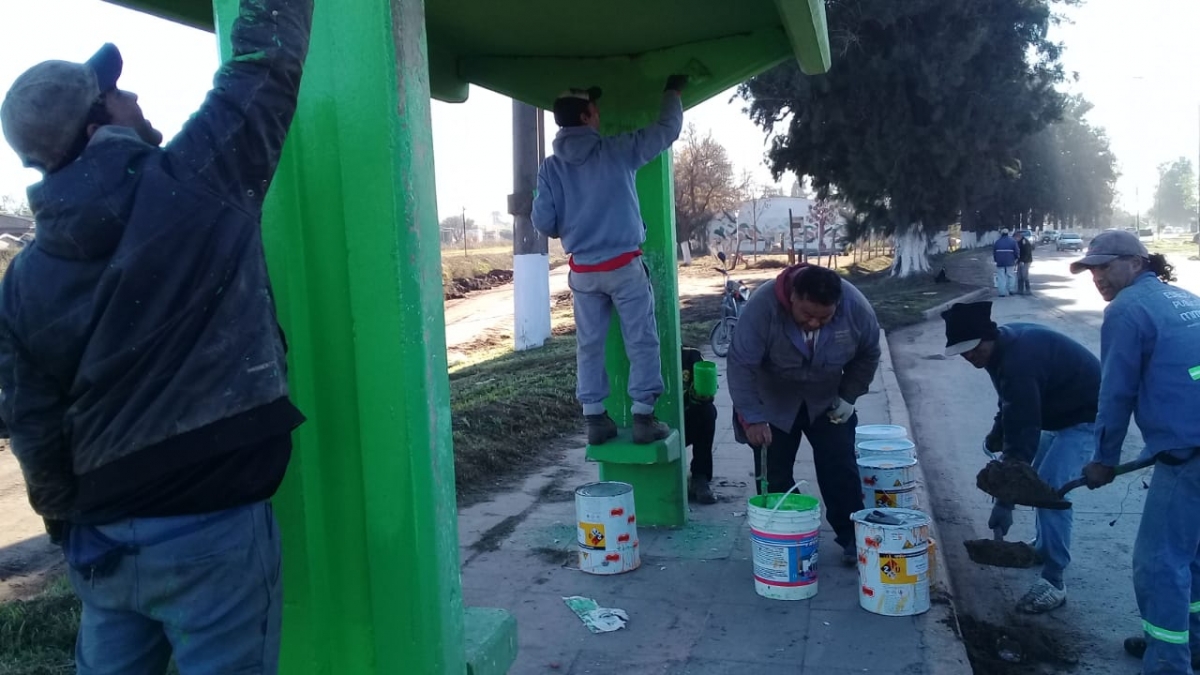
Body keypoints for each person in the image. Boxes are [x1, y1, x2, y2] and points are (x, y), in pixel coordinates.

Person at [0, 0, 312, 671]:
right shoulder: (197, 181)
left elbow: (31, 423)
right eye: (115, 92)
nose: (134, 95)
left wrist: (70, 526)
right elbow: (266, 64)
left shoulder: (23, 279)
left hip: (105, 539)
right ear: (98, 125)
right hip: (213, 527)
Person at [532, 75, 688, 445]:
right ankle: (643, 418)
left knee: (589, 345)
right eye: (594, 109)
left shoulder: (550, 168)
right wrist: (673, 93)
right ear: (586, 116)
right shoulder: (618, 150)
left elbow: (544, 223)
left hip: (584, 273)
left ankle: (595, 420)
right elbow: (667, 130)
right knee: (642, 341)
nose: (599, 114)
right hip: (623, 267)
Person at [1073, 230, 1200, 673]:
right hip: (1189, 441)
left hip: (1190, 452)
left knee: (1158, 563)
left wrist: (1104, 458)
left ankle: (1167, 661)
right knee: (1192, 555)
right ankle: (1192, 641)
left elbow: (1116, 392)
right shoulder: (1183, 297)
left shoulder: (1126, 310)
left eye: (1106, 266)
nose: (1098, 277)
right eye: (1092, 269)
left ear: (1138, 262)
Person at [942, 301, 1099, 613]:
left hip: (1087, 418)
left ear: (989, 337)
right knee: (1035, 477)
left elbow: (1025, 421)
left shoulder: (1020, 358)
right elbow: (1010, 401)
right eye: (962, 352)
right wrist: (998, 431)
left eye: (973, 349)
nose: (969, 356)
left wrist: (1005, 500)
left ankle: (1054, 581)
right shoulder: (997, 351)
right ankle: (1042, 548)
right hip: (1055, 414)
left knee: (1051, 491)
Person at [727, 263, 880, 565]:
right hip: (772, 401)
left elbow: (869, 352)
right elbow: (740, 364)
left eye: (825, 317)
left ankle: (851, 537)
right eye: (807, 315)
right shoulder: (762, 307)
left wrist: (849, 395)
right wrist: (753, 417)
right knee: (773, 473)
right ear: (793, 297)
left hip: (827, 400)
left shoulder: (855, 307)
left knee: (840, 466)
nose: (814, 323)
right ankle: (783, 540)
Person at [682, 346, 718, 504]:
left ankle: (699, 476)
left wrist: (702, 394)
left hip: (684, 422)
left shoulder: (691, 355)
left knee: (707, 412)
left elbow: (708, 394)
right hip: (650, 422)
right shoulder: (640, 354)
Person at [993, 228, 1020, 297]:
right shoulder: (1013, 241)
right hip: (1010, 262)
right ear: (1008, 233)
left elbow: (994, 253)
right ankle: (1011, 290)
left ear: (1001, 234)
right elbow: (1017, 252)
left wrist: (996, 260)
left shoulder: (997, 242)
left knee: (1001, 277)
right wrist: (1016, 258)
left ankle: (1002, 293)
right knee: (1011, 275)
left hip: (1000, 262)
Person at [1015, 230, 1034, 295]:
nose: (1015, 239)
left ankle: (1028, 290)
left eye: (1016, 237)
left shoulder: (1024, 242)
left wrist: (1022, 261)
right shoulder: (1019, 242)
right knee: (1019, 275)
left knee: (1024, 275)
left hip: (1026, 261)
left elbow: (1027, 252)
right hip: (1021, 261)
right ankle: (1020, 290)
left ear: (1019, 236)